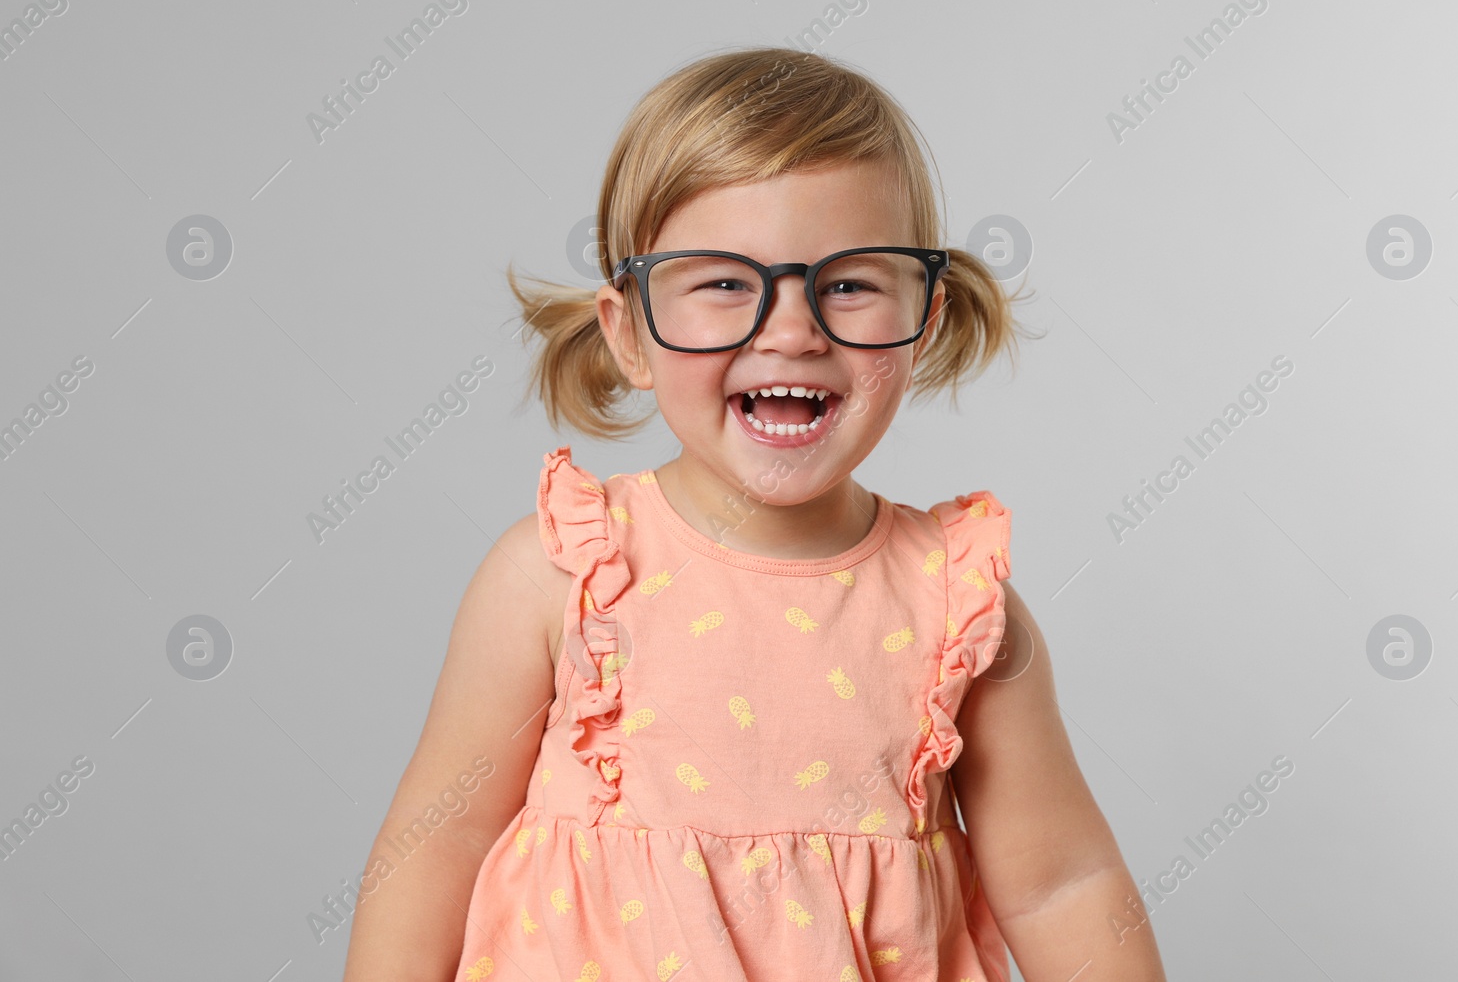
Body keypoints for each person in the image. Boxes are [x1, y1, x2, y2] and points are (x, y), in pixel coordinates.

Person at [343, 47, 1166, 981]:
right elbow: (432, 851)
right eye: (726, 282)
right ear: (630, 332)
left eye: (849, 282)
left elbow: (1062, 880)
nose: (792, 329)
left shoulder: (961, 613)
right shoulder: (559, 576)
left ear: (926, 314)